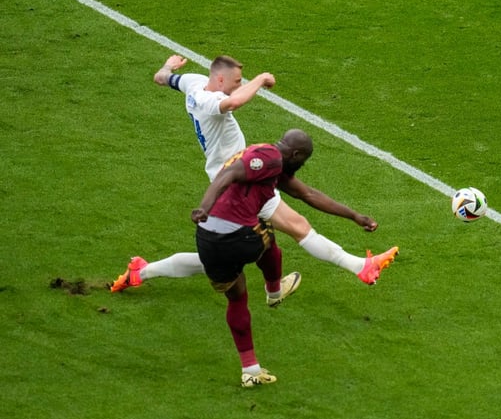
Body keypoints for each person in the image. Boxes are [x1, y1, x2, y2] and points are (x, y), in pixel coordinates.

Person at [111, 54, 398, 298]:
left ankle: (143, 271)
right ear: (220, 81)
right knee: (298, 226)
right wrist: (260, 80)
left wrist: (168, 66)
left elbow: (161, 79)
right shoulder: (211, 102)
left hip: (233, 174)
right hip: (241, 179)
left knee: (213, 260)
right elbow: (233, 104)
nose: (240, 86)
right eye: (237, 82)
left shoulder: (193, 83)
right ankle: (358, 267)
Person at [192, 129, 321, 386]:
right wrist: (204, 206)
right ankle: (274, 291)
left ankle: (250, 371)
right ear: (296, 154)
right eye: (303, 160)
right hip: (234, 237)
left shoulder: (266, 160)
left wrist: (354, 216)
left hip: (205, 239)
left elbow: (308, 194)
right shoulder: (271, 157)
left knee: (237, 297)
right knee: (267, 235)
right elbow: (227, 176)